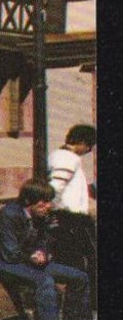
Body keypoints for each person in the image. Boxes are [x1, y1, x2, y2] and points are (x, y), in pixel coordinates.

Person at [0, 179, 90, 320]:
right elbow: (10, 254)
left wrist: (44, 253)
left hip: (21, 259)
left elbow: (45, 241)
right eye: (45, 201)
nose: (49, 206)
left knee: (80, 277)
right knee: (44, 280)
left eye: (50, 201)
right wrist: (32, 256)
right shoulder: (8, 215)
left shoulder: (40, 215)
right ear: (29, 200)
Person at [48, 124, 97, 292]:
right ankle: (80, 307)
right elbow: (55, 188)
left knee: (78, 262)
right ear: (81, 142)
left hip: (70, 218)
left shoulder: (62, 156)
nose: (89, 150)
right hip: (70, 220)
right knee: (80, 263)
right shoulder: (67, 159)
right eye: (89, 145)